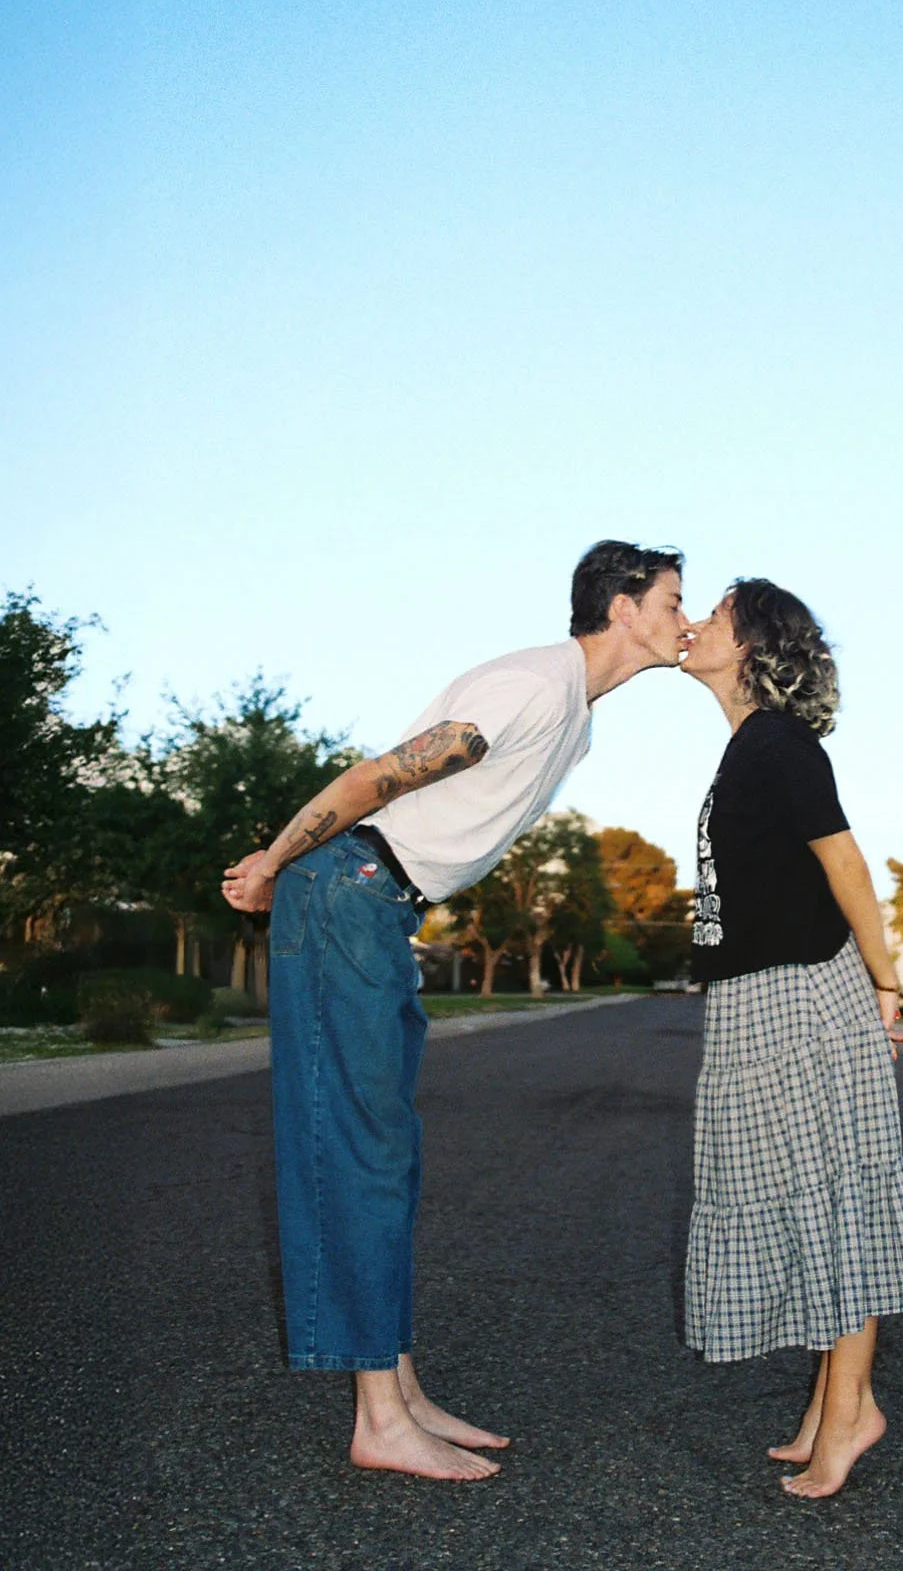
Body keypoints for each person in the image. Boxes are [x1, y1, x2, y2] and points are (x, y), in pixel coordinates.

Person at [221, 541, 688, 1482]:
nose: (688, 616)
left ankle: (398, 1387)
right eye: (674, 599)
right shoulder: (533, 684)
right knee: (358, 1148)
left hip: (379, 908)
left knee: (386, 1149)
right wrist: (274, 861)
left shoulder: (575, 716)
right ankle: (378, 1421)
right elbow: (377, 779)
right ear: (624, 608)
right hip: (347, 889)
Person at [679, 577, 903, 1498]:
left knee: (833, 1205)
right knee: (793, 1198)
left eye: (714, 613)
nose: (695, 622)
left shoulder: (779, 744)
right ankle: (831, 1409)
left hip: (800, 997)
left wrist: (884, 982)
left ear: (750, 646)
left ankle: (849, 1416)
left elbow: (845, 862)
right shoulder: (749, 748)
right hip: (756, 998)